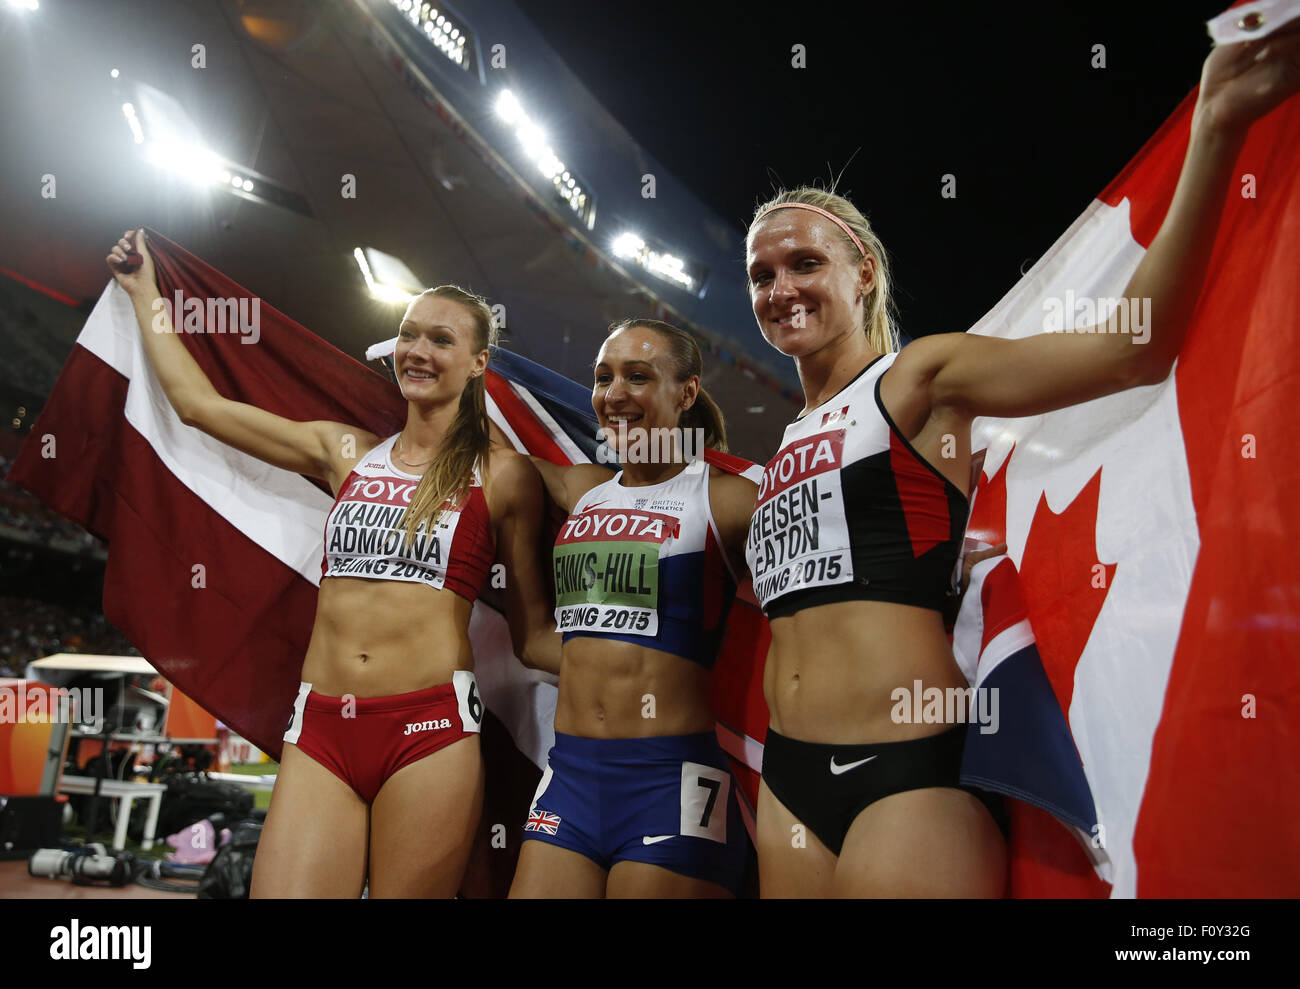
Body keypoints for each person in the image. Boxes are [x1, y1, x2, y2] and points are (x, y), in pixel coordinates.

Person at [742, 30, 1300, 896]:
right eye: (762, 273)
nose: (781, 288)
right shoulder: (782, 444)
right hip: (787, 781)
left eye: (806, 262)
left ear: (862, 273)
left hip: (908, 770)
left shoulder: (921, 376)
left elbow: (1133, 350)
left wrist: (1217, 128)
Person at [106, 229, 554, 897]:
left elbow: (531, 632)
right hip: (321, 724)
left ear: (478, 362)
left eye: (441, 340)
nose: (418, 351)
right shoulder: (344, 449)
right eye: (408, 335)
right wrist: (145, 292)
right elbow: (199, 407)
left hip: (429, 730)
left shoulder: (507, 476)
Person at [508, 319, 757, 898]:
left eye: (638, 376)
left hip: (674, 783)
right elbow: (496, 458)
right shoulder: (585, 492)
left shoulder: (730, 498)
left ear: (687, 392)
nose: (614, 394)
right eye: (603, 378)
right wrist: (464, 371)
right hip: (569, 776)